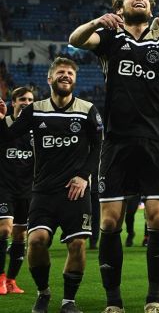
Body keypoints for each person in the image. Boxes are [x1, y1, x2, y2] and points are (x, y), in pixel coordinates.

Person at [69, 0, 159, 313]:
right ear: (119, 8)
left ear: (151, 8)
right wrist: (96, 21)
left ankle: (154, 298)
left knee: (158, 219)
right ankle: (113, 302)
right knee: (109, 223)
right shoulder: (109, 36)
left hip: (158, 140)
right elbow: (75, 40)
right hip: (117, 141)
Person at [0, 58, 101, 313]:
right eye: (60, 72)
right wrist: (1, 119)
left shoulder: (87, 109)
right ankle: (43, 292)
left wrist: (84, 175)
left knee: (77, 244)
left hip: (76, 192)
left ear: (75, 79)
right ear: (50, 78)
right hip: (43, 191)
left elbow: (99, 146)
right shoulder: (35, 110)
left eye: (70, 73)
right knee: (36, 241)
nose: (65, 75)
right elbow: (9, 136)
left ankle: (69, 301)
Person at [0, 85, 36, 296]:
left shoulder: (35, 130)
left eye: (30, 100)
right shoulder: (2, 123)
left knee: (20, 235)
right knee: (4, 229)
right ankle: (0, 278)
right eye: (22, 99)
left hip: (26, 190)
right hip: (4, 187)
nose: (26, 103)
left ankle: (11, 280)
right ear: (13, 102)